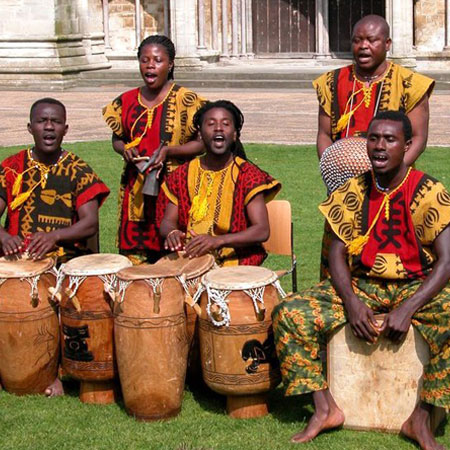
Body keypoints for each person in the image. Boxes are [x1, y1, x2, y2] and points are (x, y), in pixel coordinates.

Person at [273, 111, 450, 450]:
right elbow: (337, 254)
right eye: (374, 138)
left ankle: (422, 416)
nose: (380, 147)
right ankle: (325, 408)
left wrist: (409, 308)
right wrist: (352, 304)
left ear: (408, 145)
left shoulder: (428, 191)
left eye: (390, 139)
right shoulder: (352, 190)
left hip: (415, 285)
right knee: (290, 313)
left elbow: (447, 261)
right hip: (364, 285)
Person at [0, 97, 110, 395]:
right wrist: (4, 237)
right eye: (42, 121)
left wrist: (54, 237)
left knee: (63, 310)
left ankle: (55, 372)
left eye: (55, 122)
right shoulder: (11, 168)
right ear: (30, 127)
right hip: (16, 262)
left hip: (64, 261)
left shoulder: (77, 169)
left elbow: (90, 224)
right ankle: (11, 365)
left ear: (65, 129)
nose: (49, 127)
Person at [313, 15, 435, 280]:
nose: (363, 46)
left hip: (393, 189)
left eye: (371, 40)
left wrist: (385, 179)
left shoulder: (411, 84)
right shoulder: (331, 83)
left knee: (390, 261)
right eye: (357, 40)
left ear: (388, 43)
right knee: (337, 263)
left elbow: (418, 139)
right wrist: (335, 173)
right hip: (342, 190)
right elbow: (323, 135)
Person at [102, 35, 205, 265]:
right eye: (144, 60)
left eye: (157, 60)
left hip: (176, 190)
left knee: (176, 260)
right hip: (135, 193)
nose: (150, 65)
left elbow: (202, 143)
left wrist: (169, 151)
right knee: (136, 266)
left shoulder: (187, 100)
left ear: (170, 65)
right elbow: (117, 138)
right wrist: (125, 150)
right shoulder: (126, 100)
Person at [158, 100, 281, 266]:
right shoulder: (182, 174)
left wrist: (217, 241)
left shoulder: (248, 175)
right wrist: (171, 232)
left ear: (235, 134)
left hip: (236, 262)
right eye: (210, 124)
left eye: (226, 123)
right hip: (191, 259)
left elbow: (262, 230)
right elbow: (167, 221)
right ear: (200, 134)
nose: (218, 128)